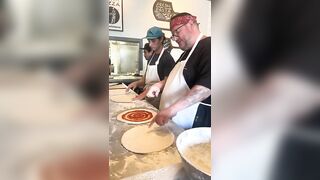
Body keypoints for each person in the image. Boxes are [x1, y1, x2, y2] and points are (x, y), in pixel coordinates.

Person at [147, 13, 211, 129]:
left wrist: (172, 110)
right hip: (171, 121)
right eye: (173, 35)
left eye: (177, 32)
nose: (175, 38)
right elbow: (172, 77)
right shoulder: (185, 53)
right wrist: (159, 85)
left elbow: (205, 89)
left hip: (191, 124)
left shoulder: (209, 46)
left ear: (191, 23)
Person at [127, 27, 175, 108]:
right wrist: (137, 83)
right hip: (146, 94)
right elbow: (145, 79)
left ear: (161, 39)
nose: (150, 44)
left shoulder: (167, 58)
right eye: (149, 41)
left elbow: (167, 83)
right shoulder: (152, 56)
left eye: (153, 41)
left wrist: (143, 95)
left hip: (157, 98)